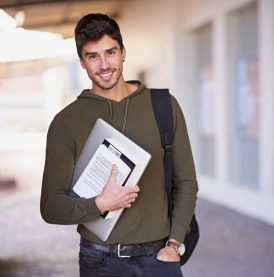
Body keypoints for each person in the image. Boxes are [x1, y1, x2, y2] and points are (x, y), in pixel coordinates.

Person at [40, 13, 198, 277]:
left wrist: (174, 244)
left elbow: (186, 182)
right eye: (93, 56)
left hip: (158, 257)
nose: (104, 64)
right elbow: (50, 207)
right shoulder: (66, 123)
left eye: (110, 52)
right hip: (99, 261)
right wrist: (99, 204)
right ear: (82, 61)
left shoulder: (163, 106)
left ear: (123, 52)